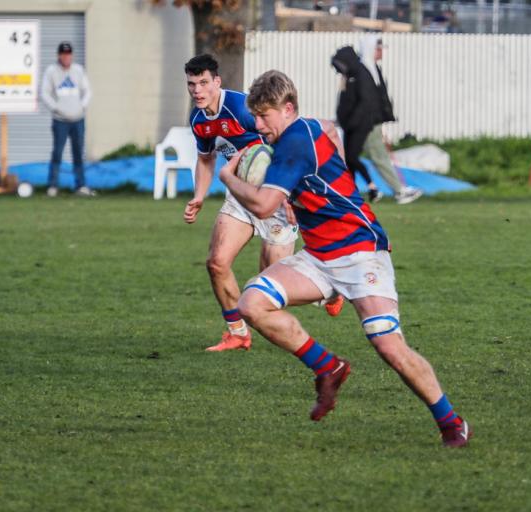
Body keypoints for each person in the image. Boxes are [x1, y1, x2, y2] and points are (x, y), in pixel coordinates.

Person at [218, 70, 471, 447]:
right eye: (255, 116)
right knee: (252, 305)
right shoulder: (306, 129)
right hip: (319, 256)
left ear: (287, 109)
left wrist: (228, 177)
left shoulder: (295, 143)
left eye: (264, 115)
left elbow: (262, 204)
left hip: (359, 253)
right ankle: (327, 366)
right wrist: (310, 190)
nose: (257, 124)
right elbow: (330, 130)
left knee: (389, 346)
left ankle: (451, 422)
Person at [182, 54, 342, 353]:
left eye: (204, 83)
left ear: (217, 81)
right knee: (217, 263)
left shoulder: (242, 108)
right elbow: (206, 159)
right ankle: (237, 332)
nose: (197, 90)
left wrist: (290, 193)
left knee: (273, 280)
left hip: (276, 196)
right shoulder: (198, 119)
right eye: (192, 84)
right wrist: (199, 196)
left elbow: (286, 142)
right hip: (241, 196)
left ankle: (331, 291)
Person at [358, 35, 423, 205]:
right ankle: (399, 190)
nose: (381, 52)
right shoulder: (362, 70)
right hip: (366, 122)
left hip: (372, 121)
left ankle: (389, 189)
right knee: (377, 155)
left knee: (354, 157)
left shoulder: (373, 69)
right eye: (378, 49)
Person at [331, 45, 383, 203]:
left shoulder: (361, 74)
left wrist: (352, 121)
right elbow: (345, 102)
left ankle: (372, 186)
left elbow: (365, 101)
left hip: (360, 124)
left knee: (352, 157)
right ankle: (351, 192)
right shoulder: (348, 77)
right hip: (349, 125)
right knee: (348, 160)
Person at [41, 41, 94, 197]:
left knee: (78, 152)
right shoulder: (51, 71)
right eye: (63, 54)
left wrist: (82, 107)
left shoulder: (78, 70)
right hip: (60, 120)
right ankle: (53, 185)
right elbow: (44, 93)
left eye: (68, 54)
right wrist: (56, 108)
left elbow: (88, 91)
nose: (66, 57)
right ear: (59, 55)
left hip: (78, 119)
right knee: (57, 152)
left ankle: (80, 185)